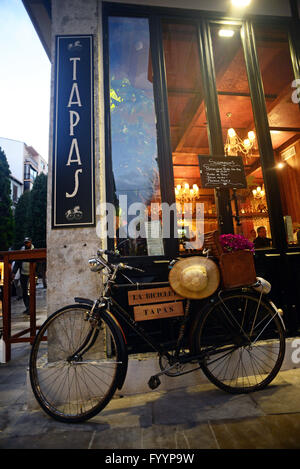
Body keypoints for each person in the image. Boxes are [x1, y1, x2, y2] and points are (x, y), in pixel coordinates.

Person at [11, 237, 34, 315]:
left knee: (30, 291)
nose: (26, 244)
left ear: (31, 242)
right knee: (24, 292)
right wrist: (14, 272)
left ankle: (31, 308)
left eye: (28, 242)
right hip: (23, 274)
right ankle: (28, 307)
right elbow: (17, 262)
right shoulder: (22, 251)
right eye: (25, 242)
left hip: (32, 274)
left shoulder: (34, 250)